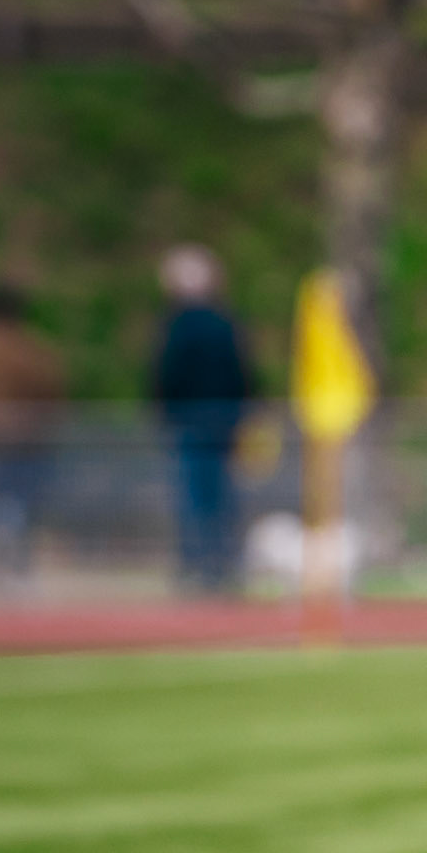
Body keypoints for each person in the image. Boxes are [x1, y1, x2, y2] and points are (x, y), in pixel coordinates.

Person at [151, 246, 255, 593]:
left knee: (194, 497)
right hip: (224, 420)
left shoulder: (178, 324)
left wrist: (163, 409)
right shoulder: (226, 322)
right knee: (222, 495)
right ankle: (222, 564)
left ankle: (197, 565)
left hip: (191, 422)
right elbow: (243, 373)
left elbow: (167, 373)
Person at [0, 283, 66, 578]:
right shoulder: (35, 350)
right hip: (25, 439)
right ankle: (15, 564)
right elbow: (53, 396)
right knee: (18, 504)